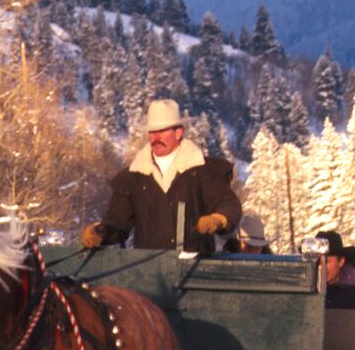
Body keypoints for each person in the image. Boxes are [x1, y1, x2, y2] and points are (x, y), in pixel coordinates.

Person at [82, 99, 242, 254]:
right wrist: (100, 233)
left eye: (162, 131)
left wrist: (219, 219)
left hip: (194, 273)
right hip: (148, 275)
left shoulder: (201, 171)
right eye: (152, 132)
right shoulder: (133, 178)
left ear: (178, 132)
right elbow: (117, 222)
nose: (156, 137)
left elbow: (229, 204)